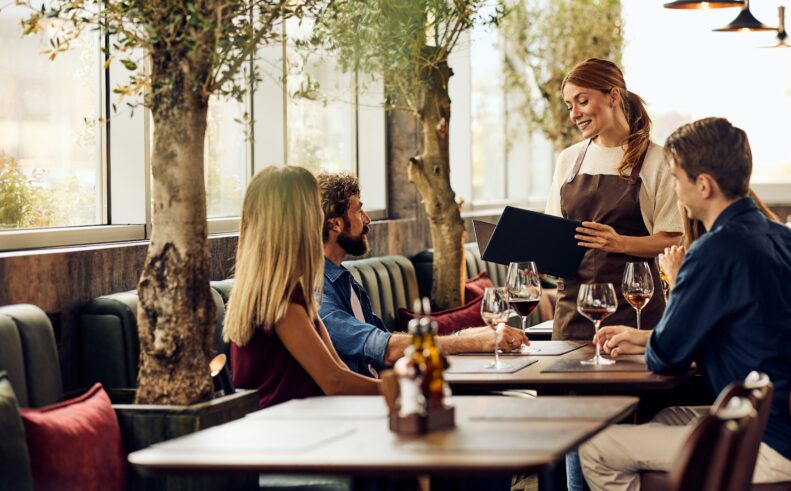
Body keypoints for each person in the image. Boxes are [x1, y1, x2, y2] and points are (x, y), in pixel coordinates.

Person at [579, 117, 791, 490]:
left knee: (597, 448)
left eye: (676, 179)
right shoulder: (786, 238)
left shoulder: (714, 251)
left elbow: (667, 358)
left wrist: (678, 278)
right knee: (667, 415)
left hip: (766, 441)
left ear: (703, 185)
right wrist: (640, 338)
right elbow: (743, 333)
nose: (675, 191)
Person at [317, 171, 528, 377]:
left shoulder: (346, 281)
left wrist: (464, 335)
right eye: (359, 210)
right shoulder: (318, 292)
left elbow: (388, 341)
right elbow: (385, 349)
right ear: (335, 223)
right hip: (360, 404)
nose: (367, 219)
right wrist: (476, 342)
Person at [544, 58, 682, 340]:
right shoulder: (569, 160)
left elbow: (672, 240)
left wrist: (620, 243)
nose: (574, 114)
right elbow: (553, 236)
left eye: (582, 101)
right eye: (569, 106)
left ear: (614, 96)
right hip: (573, 315)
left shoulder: (658, 160)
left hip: (635, 311)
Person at [224, 166, 380, 409]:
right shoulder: (280, 302)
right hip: (287, 436)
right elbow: (334, 382)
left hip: (305, 427)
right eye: (315, 208)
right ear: (298, 221)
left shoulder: (293, 292)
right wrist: (398, 388)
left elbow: (338, 367)